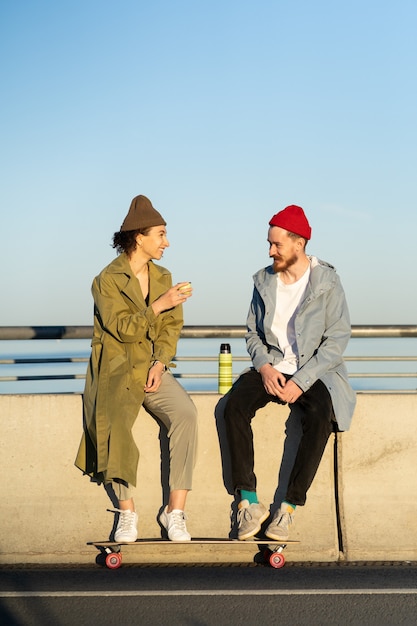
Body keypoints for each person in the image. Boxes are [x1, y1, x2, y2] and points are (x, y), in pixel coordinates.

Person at [224, 204, 356, 541]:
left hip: (313, 372)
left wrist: (301, 381)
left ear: (299, 243)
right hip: (272, 365)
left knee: (321, 415)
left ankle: (288, 508)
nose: (270, 251)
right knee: (233, 406)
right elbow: (252, 333)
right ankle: (248, 503)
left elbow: (336, 339)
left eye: (277, 244)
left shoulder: (327, 282)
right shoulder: (264, 281)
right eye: (269, 244)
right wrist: (265, 368)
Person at [75, 194, 198, 542]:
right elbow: (123, 328)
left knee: (186, 414)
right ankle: (126, 512)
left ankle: (175, 512)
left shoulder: (163, 275)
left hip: (151, 367)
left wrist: (160, 363)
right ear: (139, 236)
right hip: (116, 370)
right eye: (160, 234)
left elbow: (172, 327)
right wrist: (160, 304)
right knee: (113, 426)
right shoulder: (107, 280)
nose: (167, 242)